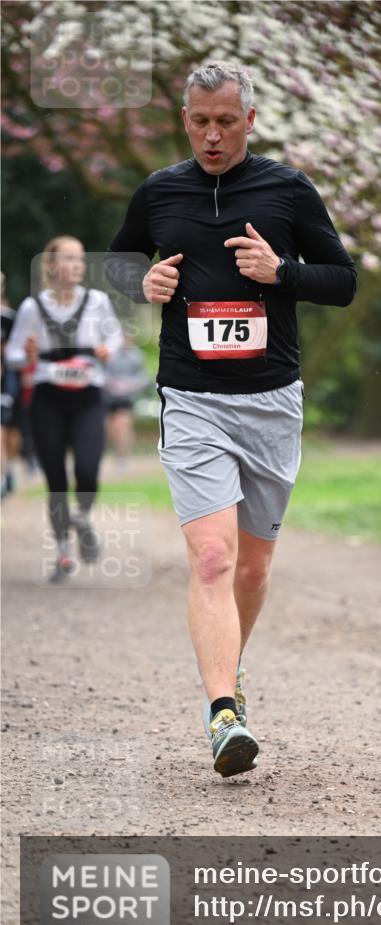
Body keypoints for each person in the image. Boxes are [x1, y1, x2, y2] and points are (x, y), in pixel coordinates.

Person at [106, 61, 356, 778]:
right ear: (184, 119)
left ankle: (230, 674)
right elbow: (119, 263)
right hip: (191, 399)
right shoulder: (159, 191)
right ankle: (223, 713)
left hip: (272, 400)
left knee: (252, 566)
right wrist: (142, 282)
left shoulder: (287, 189)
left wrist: (283, 273)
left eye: (225, 121)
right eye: (199, 121)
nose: (212, 135)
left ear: (249, 120)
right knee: (211, 557)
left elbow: (343, 282)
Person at [5, 236, 123, 581]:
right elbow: (12, 354)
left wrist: (105, 349)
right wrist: (25, 354)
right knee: (56, 480)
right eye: (69, 259)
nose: (77, 266)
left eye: (81, 260)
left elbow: (114, 337)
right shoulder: (32, 307)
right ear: (52, 265)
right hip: (48, 399)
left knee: (87, 469)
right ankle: (62, 554)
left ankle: (83, 518)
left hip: (87, 397)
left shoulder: (96, 301)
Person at [103, 332, 151, 466]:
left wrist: (129, 384)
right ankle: (117, 452)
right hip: (108, 396)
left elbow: (144, 378)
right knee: (110, 428)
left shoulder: (137, 356)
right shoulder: (109, 353)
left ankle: (122, 456)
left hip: (126, 398)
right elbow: (101, 372)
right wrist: (112, 383)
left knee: (123, 425)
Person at [1, 272, 20, 499]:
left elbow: (19, 353)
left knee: (7, 434)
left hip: (6, 383)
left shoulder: (9, 318)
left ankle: (5, 472)